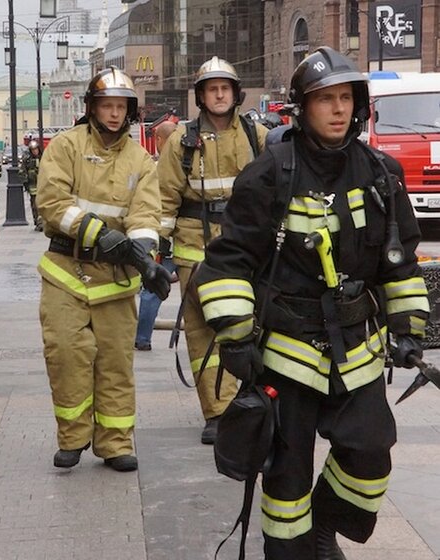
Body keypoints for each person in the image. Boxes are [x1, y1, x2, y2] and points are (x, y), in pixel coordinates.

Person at [194, 46, 428, 560]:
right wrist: (236, 340)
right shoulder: (269, 173)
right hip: (286, 351)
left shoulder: (382, 173)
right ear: (303, 107)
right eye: (326, 99)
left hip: (357, 348)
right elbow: (226, 263)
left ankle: (327, 526)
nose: (338, 109)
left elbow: (400, 261)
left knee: (370, 450)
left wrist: (408, 328)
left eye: (346, 98)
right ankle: (294, 552)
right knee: (288, 475)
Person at [36, 67, 172, 472]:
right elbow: (52, 201)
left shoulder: (141, 160)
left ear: (130, 112)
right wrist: (99, 234)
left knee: (115, 361)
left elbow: (147, 213)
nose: (114, 114)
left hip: (115, 278)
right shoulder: (65, 146)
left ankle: (115, 443)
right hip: (66, 271)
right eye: (106, 105)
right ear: (92, 108)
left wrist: (147, 260)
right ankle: (73, 438)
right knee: (66, 354)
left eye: (121, 107)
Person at [157, 56, 268, 444]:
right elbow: (165, 198)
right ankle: (217, 411)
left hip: (248, 247)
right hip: (195, 249)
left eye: (224, 88)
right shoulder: (181, 142)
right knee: (203, 331)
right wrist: (157, 251)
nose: (218, 94)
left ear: (235, 94)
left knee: (254, 324)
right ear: (201, 97)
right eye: (211, 89)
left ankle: (251, 398)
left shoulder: (258, 136)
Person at [135, 120, 179, 351]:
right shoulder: (192, 161)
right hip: (194, 243)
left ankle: (142, 339)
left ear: (160, 140)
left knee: (152, 290)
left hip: (166, 243)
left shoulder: (159, 168)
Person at [20, 139, 42, 231]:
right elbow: (22, 171)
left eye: (36, 149)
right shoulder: (27, 160)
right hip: (33, 185)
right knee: (35, 205)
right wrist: (25, 181)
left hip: (43, 185)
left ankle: (44, 222)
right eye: (33, 150)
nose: (35, 151)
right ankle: (37, 222)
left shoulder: (43, 158)